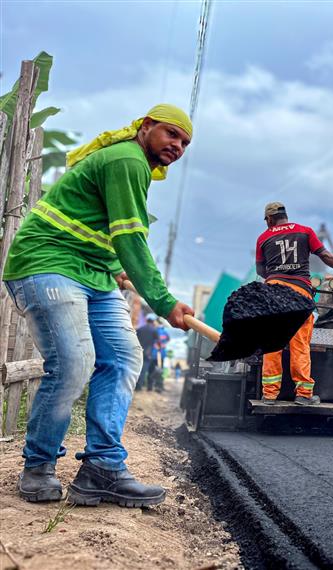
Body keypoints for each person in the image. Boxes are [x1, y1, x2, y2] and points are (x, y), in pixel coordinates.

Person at [3, 104, 195, 506]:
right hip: (48, 263)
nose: (177, 146)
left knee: (124, 358)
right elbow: (130, 238)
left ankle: (101, 468)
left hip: (92, 272)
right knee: (74, 362)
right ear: (145, 128)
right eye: (171, 134)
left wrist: (117, 270)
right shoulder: (127, 158)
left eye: (184, 142)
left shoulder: (130, 163)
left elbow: (98, 229)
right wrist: (164, 301)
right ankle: (38, 468)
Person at [255, 202, 333, 405]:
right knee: (299, 344)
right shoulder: (305, 231)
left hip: (273, 292)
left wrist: (275, 276)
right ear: (285, 216)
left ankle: (269, 395)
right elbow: (325, 255)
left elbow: (260, 270)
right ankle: (303, 395)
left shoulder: (263, 238)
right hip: (299, 293)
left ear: (270, 219)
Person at [135, 314, 159, 391]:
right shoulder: (154, 330)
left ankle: (136, 386)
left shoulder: (140, 329)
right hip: (148, 353)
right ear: (153, 321)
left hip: (138, 351)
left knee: (137, 369)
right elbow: (158, 342)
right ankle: (139, 387)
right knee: (144, 370)